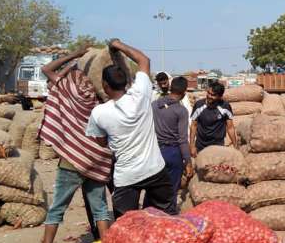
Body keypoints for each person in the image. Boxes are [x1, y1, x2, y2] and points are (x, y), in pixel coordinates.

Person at [35, 47, 114, 243]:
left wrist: (74, 55)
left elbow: (46, 69)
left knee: (56, 210)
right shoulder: (102, 100)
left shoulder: (71, 89)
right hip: (96, 159)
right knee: (99, 208)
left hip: (71, 159)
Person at [86, 39, 176, 218]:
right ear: (127, 81)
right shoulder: (141, 94)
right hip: (154, 169)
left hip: (126, 176)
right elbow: (144, 60)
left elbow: (101, 142)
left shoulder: (99, 113)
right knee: (168, 219)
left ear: (105, 86)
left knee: (127, 227)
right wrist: (118, 45)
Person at [152, 76, 192, 212]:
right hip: (173, 153)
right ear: (184, 92)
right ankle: (169, 219)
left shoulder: (155, 105)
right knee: (171, 192)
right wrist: (188, 162)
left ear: (170, 87)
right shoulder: (181, 111)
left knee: (155, 189)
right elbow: (182, 139)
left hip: (155, 152)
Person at [189, 81, 236, 157]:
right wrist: (192, 146)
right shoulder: (199, 105)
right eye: (208, 93)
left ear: (220, 96)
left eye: (213, 95)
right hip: (201, 146)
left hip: (218, 146)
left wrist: (235, 145)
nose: (209, 96)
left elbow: (230, 128)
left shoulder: (225, 106)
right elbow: (193, 126)